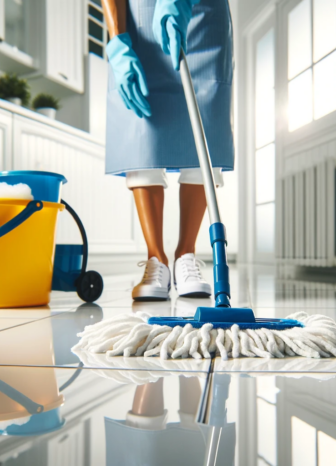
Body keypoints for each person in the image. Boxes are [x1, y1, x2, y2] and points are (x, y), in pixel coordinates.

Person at [102, 0, 234, 301]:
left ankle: (185, 255)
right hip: (137, 21)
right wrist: (118, 42)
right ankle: (156, 259)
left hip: (203, 18)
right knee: (142, 131)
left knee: (205, 126)